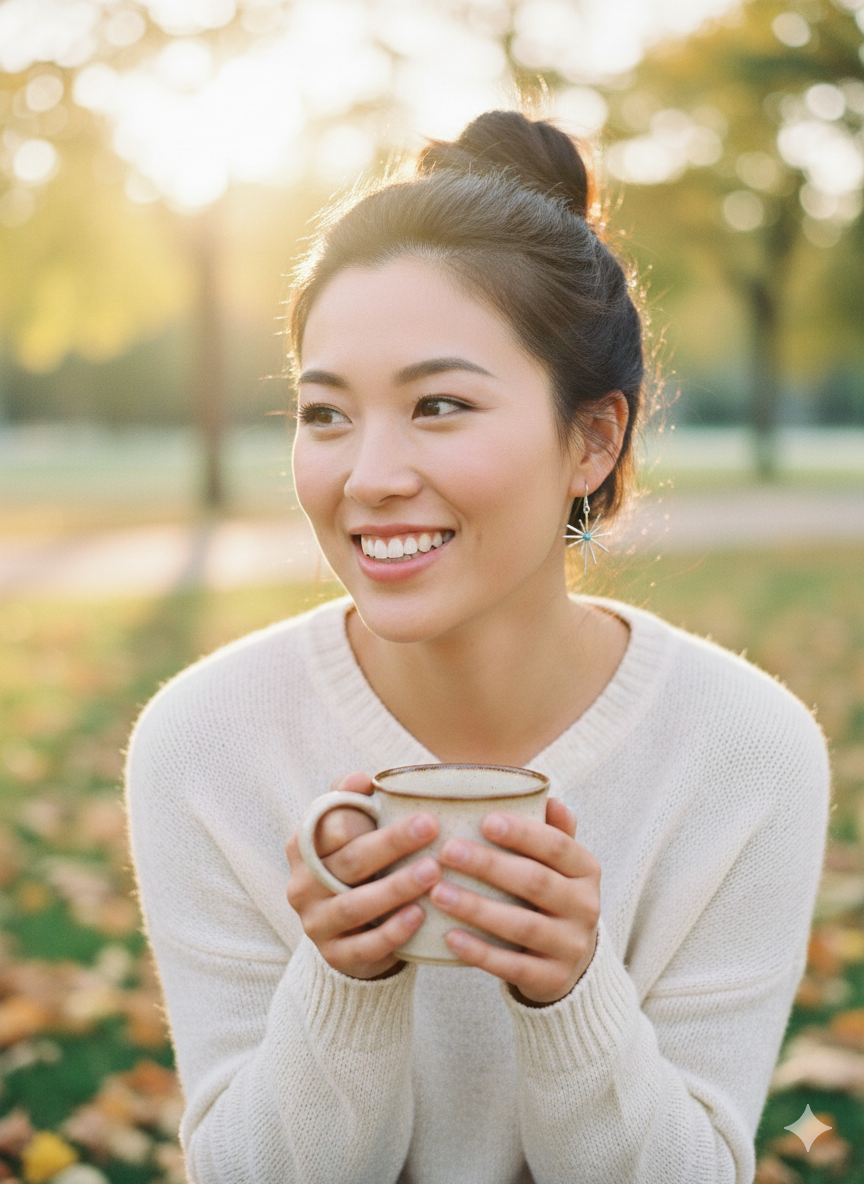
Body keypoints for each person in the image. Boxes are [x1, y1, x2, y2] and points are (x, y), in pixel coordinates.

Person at [125, 111, 830, 1184]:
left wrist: (572, 996)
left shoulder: (746, 749)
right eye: (325, 414)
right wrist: (346, 984)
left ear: (593, 438)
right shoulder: (205, 738)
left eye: (439, 404)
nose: (368, 476)